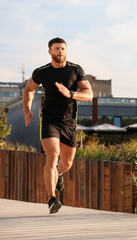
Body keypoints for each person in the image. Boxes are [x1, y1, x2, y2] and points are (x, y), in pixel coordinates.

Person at [23, 37, 93, 214]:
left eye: (62, 49)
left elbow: (89, 94)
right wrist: (27, 109)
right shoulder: (42, 72)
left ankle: (59, 174)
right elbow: (29, 89)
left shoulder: (75, 70)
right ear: (50, 52)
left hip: (69, 122)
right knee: (53, 156)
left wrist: (71, 94)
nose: (60, 52)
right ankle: (52, 198)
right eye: (56, 49)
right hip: (49, 120)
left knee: (67, 163)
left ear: (66, 50)